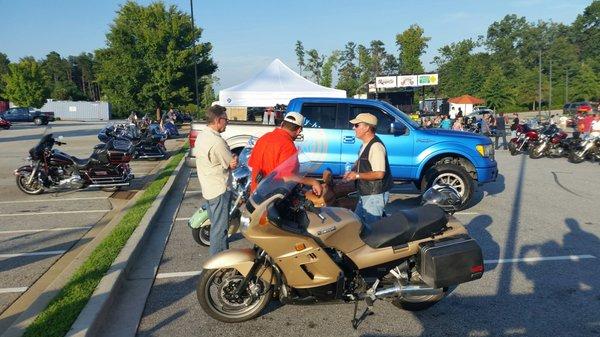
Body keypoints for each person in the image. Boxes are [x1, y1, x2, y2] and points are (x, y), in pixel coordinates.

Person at [193, 105, 238, 255]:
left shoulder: (202, 135)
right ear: (218, 120)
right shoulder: (217, 142)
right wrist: (234, 160)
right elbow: (231, 163)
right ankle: (219, 264)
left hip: (208, 188)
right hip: (220, 190)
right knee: (220, 230)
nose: (228, 122)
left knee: (216, 226)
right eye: (226, 119)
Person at [248, 111, 322, 195]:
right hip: (271, 198)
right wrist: (313, 182)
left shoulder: (264, 138)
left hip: (255, 196)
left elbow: (253, 166)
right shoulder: (288, 146)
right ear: (299, 130)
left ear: (282, 124)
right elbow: (287, 177)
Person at [343, 113, 393, 229]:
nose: (353, 128)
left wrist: (356, 175)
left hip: (374, 194)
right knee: (356, 224)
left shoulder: (376, 147)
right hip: (366, 192)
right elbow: (362, 161)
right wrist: (352, 171)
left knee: (373, 229)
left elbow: (379, 174)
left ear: (367, 128)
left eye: (356, 125)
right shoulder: (365, 144)